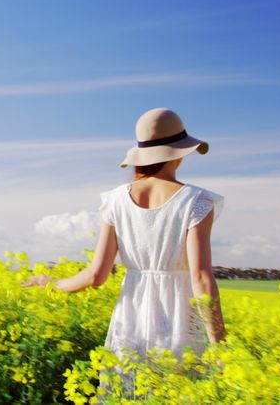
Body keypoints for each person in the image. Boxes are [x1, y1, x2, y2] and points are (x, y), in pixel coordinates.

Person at [22, 107, 226, 400]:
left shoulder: (115, 200)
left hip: (130, 321)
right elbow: (201, 277)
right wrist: (219, 344)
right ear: (179, 152)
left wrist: (51, 283)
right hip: (181, 322)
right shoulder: (196, 202)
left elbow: (96, 275)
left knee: (127, 394)